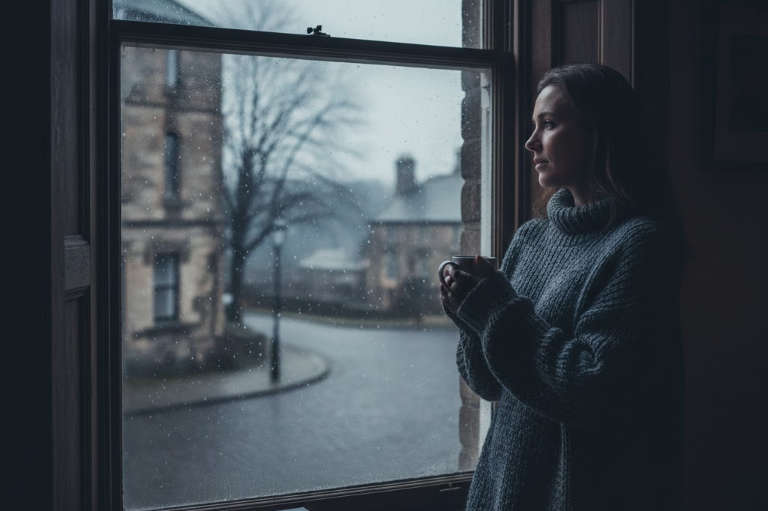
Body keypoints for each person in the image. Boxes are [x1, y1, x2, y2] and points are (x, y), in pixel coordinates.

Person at [440, 64, 684, 511]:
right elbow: (489, 384)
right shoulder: (531, 239)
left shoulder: (639, 244)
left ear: (600, 132)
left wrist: (494, 311)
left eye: (549, 124)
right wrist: (468, 313)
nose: (531, 142)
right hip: (502, 485)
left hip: (574, 493)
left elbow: (592, 387)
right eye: (534, 126)